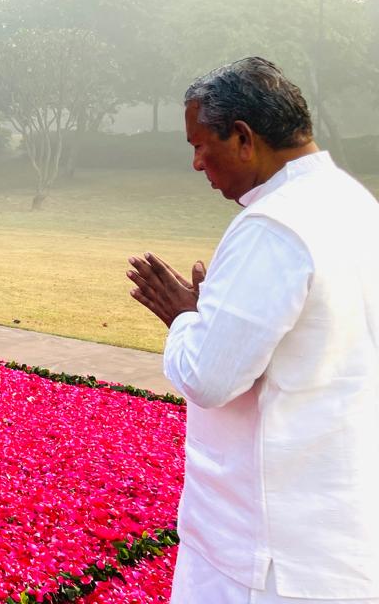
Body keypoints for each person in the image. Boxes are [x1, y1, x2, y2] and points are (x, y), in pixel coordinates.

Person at [127, 57, 379, 603]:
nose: (197, 163)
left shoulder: (272, 225)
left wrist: (185, 318)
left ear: (243, 137)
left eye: (200, 145)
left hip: (261, 552)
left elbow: (210, 378)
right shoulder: (357, 205)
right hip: (335, 530)